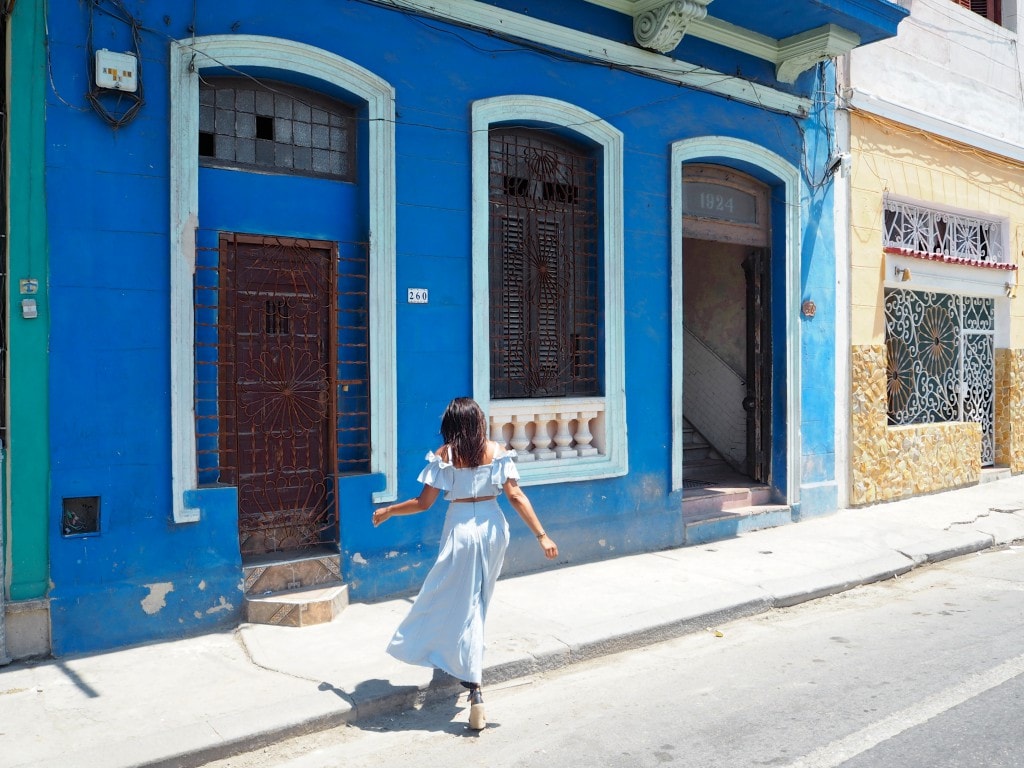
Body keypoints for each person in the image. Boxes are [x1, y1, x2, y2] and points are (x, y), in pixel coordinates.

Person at [372, 397, 558, 730]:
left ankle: (474, 686)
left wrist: (388, 511)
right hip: (491, 528)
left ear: (451, 425)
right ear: (478, 422)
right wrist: (542, 535)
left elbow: (422, 503)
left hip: (459, 528)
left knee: (447, 596)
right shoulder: (497, 451)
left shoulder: (445, 456)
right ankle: (468, 673)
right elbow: (515, 496)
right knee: (477, 602)